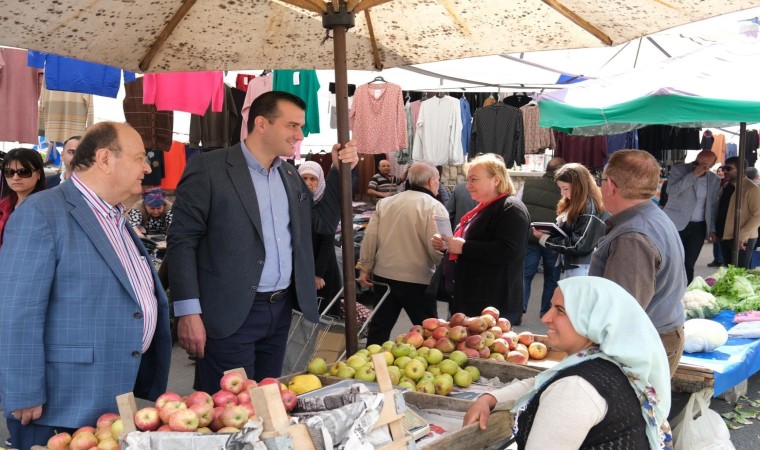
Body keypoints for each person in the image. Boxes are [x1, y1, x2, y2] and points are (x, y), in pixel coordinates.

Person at [167, 91, 358, 392]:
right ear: (261, 124)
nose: (299, 135)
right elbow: (182, 242)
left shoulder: (290, 175)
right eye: (292, 125)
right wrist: (187, 311)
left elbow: (321, 223)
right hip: (228, 314)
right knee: (230, 411)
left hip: (280, 311)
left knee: (268, 400)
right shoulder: (210, 168)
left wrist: (339, 171)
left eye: (301, 126)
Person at [0, 122, 172, 450]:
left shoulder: (116, 215)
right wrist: (22, 391)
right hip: (63, 404)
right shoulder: (42, 213)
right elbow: (15, 311)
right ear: (105, 158)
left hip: (122, 392)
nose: (148, 167)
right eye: (139, 158)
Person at [463, 277, 672, 450]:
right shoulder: (610, 362)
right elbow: (539, 382)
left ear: (593, 318)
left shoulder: (574, 389)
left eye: (560, 310)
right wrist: (489, 398)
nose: (546, 317)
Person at [589, 149, 686, 377]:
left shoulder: (632, 236)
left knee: (630, 412)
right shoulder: (650, 217)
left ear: (610, 185)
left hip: (641, 345)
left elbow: (623, 313)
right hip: (656, 336)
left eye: (601, 180)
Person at [432, 153, 529, 325]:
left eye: (474, 179)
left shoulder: (511, 208)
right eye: (468, 179)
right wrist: (448, 245)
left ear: (496, 180)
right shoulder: (485, 207)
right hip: (472, 297)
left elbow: (509, 250)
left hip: (490, 303)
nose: (468, 185)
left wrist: (464, 247)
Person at [357, 161, 447, 345]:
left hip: (384, 276)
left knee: (379, 328)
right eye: (438, 181)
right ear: (431, 181)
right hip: (418, 279)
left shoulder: (386, 203)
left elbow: (370, 237)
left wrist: (364, 268)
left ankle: (373, 365)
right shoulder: (434, 207)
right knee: (429, 332)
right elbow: (436, 248)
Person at [532, 162, 606, 279]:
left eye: (565, 188)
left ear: (578, 185)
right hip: (576, 264)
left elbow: (578, 245)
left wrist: (546, 239)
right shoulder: (580, 203)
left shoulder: (588, 207)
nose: (562, 193)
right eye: (561, 188)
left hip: (582, 267)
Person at [662, 150, 720, 283]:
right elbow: (672, 190)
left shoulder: (714, 179)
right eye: (698, 162)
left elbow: (712, 205)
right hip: (676, 222)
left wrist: (712, 229)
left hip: (698, 226)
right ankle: (668, 291)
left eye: (705, 165)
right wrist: (693, 175)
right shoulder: (679, 170)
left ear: (712, 165)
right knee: (672, 261)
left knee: (689, 263)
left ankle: (686, 292)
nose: (700, 166)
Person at [521, 157, 564, 317]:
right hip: (553, 239)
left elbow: (519, 206)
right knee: (551, 277)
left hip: (531, 236)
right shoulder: (564, 189)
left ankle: (520, 307)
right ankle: (545, 311)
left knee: (526, 274)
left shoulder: (529, 184)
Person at [298, 161, 342, 309]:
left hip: (322, 267)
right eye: (304, 178)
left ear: (320, 180)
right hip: (303, 265)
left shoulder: (323, 204)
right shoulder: (294, 202)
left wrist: (318, 274)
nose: (308, 183)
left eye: (313, 179)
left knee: (323, 312)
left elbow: (327, 241)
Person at [719, 156, 760, 268]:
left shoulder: (752, 189)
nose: (724, 171)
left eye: (728, 168)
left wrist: (741, 236)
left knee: (740, 274)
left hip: (743, 239)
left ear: (742, 169)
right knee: (728, 272)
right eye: (723, 168)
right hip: (726, 236)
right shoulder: (727, 186)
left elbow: (758, 216)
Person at [0, 148, 46, 246]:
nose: (15, 178)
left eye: (24, 171)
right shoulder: (3, 205)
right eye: (9, 172)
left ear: (38, 174)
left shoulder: (48, 207)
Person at [708, 165, 728, 267]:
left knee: (721, 241)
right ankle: (717, 259)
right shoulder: (716, 183)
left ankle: (720, 259)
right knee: (716, 240)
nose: (721, 173)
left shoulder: (727, 184)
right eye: (719, 171)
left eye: (723, 171)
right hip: (716, 216)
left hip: (724, 218)